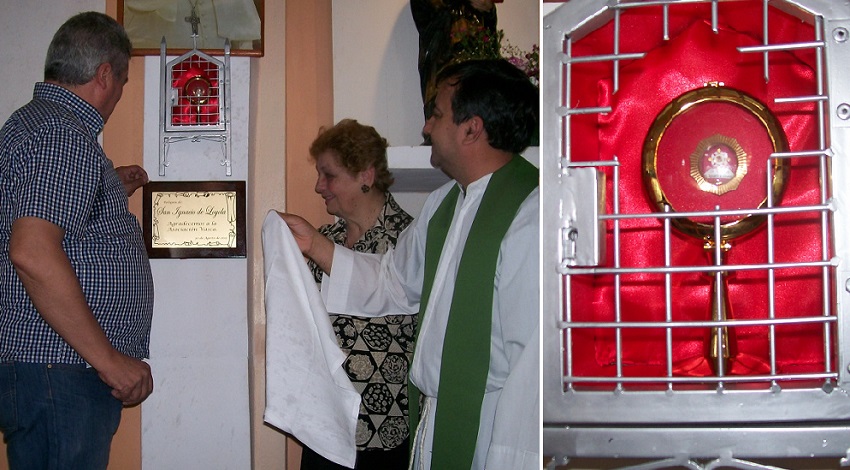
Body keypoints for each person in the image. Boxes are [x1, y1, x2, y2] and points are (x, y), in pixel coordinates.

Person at [281, 58, 539, 470]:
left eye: (436, 114)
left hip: (493, 431)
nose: (426, 127)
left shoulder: (532, 213)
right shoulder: (443, 205)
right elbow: (393, 283)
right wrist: (313, 243)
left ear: (472, 128)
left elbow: (531, 370)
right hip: (432, 420)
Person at [0, 12, 154, 469]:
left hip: (49, 371)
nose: (120, 93)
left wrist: (106, 187)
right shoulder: (64, 135)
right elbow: (32, 252)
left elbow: (42, 224)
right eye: (124, 81)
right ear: (104, 74)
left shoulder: (37, 126)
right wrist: (109, 360)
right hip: (61, 371)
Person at [299, 119, 415, 470]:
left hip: (383, 428)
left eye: (329, 175)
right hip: (324, 423)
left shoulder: (408, 241)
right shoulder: (321, 238)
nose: (319, 186)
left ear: (365, 175)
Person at [411, 0, 500, 115]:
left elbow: (489, 37)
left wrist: (489, 10)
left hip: (477, 79)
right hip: (446, 74)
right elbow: (428, 15)